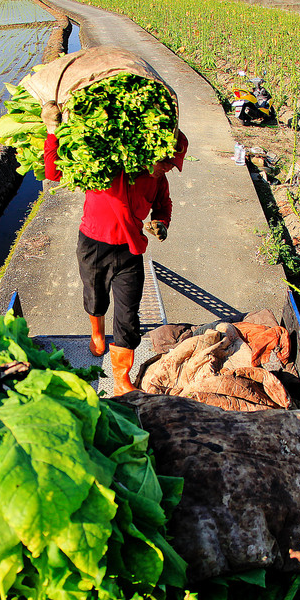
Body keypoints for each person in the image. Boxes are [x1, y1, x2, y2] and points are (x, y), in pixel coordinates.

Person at [42, 99, 188, 395]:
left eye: (173, 165)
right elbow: (54, 173)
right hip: (94, 244)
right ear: (153, 152)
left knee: (128, 316)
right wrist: (53, 130)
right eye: (167, 162)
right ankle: (97, 335)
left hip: (131, 251)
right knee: (95, 298)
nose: (168, 169)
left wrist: (162, 222)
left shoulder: (157, 180)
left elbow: (164, 205)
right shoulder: (112, 165)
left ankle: (122, 376)